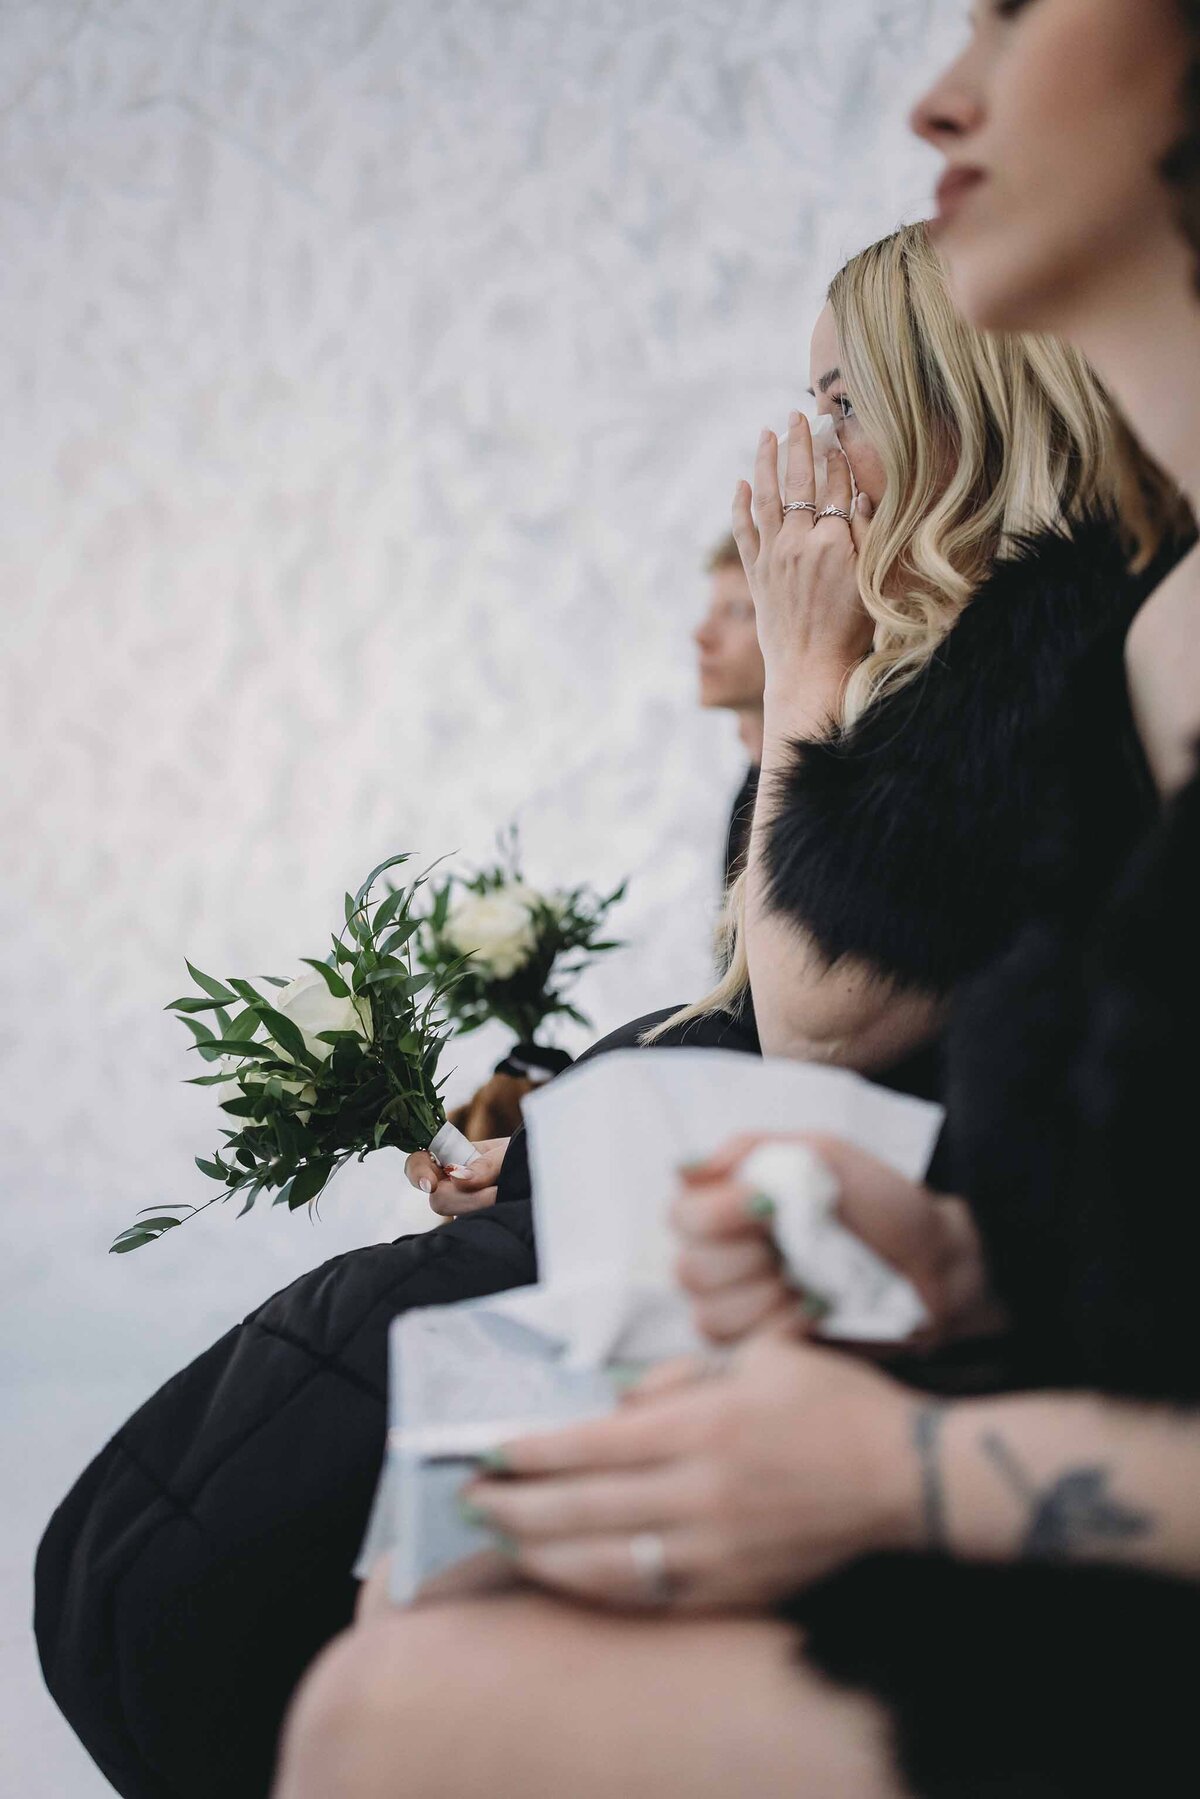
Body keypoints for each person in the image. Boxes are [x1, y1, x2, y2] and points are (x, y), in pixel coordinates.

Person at [33, 223, 1176, 1799]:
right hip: (777, 1239)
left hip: (838, 1309)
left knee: (290, 1591)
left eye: (842, 400)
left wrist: (801, 669)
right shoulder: (947, 661)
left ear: (947, 408)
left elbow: (819, 1020)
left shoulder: (1030, 647)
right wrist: (563, 1119)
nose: (804, 450)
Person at [271, 6, 1200, 1797]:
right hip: (1038, 1408)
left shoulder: (1067, 638)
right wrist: (961, 1264)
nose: (942, 92)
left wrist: (896, 1469)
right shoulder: (1162, 634)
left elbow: (815, 1011)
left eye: (1022, 11)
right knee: (435, 1556)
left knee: (396, 1702)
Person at [694, 532, 765, 891]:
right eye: (711, 611)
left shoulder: (826, 800)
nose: (701, 635)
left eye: (737, 611)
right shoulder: (752, 786)